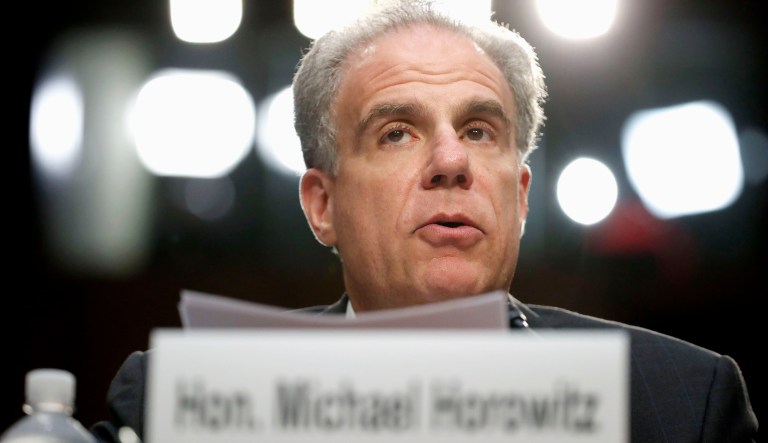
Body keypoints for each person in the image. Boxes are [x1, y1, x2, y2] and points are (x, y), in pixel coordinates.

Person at [89, 0, 759, 441]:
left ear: (521, 196)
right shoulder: (176, 406)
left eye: (478, 129)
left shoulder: (680, 405)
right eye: (397, 133)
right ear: (322, 205)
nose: (450, 161)